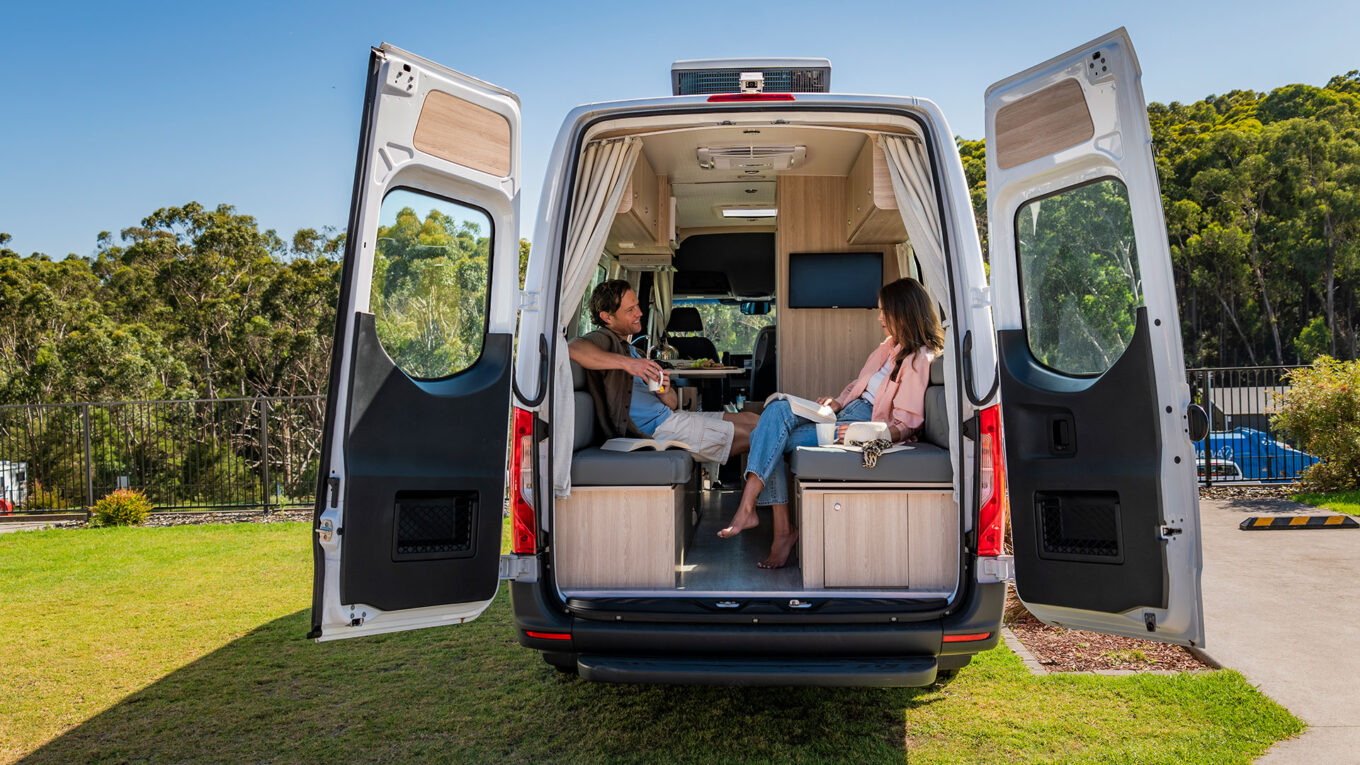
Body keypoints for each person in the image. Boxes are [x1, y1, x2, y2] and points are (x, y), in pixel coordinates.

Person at [718, 277, 945, 569]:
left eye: (884, 312)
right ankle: (761, 517)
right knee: (775, 411)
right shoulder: (889, 347)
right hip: (844, 414)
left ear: (904, 312)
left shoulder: (919, 358)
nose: (879, 319)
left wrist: (862, 434)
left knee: (768, 433)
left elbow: (907, 423)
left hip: (861, 426)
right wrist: (837, 401)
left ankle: (770, 524)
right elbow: (858, 386)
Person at [567, 279, 758, 466]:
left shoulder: (635, 351)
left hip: (671, 418)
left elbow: (673, 404)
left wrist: (665, 391)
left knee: (752, 420)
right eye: (630, 310)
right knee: (757, 434)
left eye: (637, 306)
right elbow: (572, 347)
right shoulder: (605, 338)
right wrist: (628, 365)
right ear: (607, 318)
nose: (639, 313)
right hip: (657, 431)